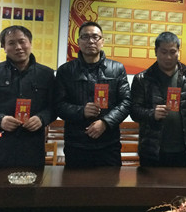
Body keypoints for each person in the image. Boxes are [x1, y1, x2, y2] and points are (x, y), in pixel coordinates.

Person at [0, 26, 55, 167]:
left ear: (30, 43)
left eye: (22, 41)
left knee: (33, 181)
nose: (18, 47)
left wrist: (42, 118)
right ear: (4, 47)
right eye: (11, 43)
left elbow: (55, 106)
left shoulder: (46, 74)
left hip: (32, 148)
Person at [56, 21, 131, 167]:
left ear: (102, 41)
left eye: (95, 37)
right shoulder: (66, 71)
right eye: (85, 37)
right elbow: (58, 104)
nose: (90, 41)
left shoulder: (117, 69)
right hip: (76, 144)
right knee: (75, 181)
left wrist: (105, 122)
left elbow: (126, 102)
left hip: (109, 143)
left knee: (110, 181)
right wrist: (81, 111)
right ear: (78, 42)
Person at [130, 32, 186, 167]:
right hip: (152, 151)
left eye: (172, 52)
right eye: (164, 52)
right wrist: (152, 114)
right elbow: (134, 111)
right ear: (156, 51)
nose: (168, 57)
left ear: (178, 51)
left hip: (182, 151)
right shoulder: (143, 79)